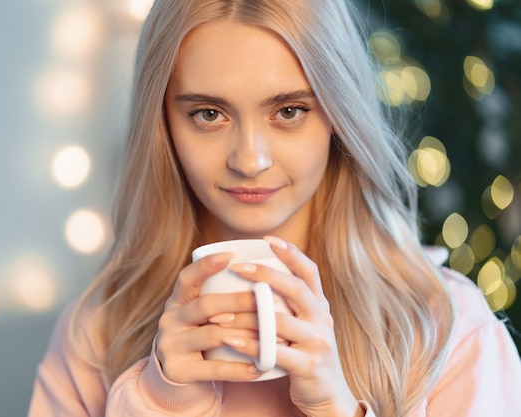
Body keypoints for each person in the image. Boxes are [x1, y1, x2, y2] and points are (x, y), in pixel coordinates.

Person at [28, 0, 521, 416]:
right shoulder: (98, 332)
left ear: (338, 115)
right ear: (163, 125)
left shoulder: (446, 329)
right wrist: (158, 403)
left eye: (289, 111)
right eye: (208, 114)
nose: (249, 161)